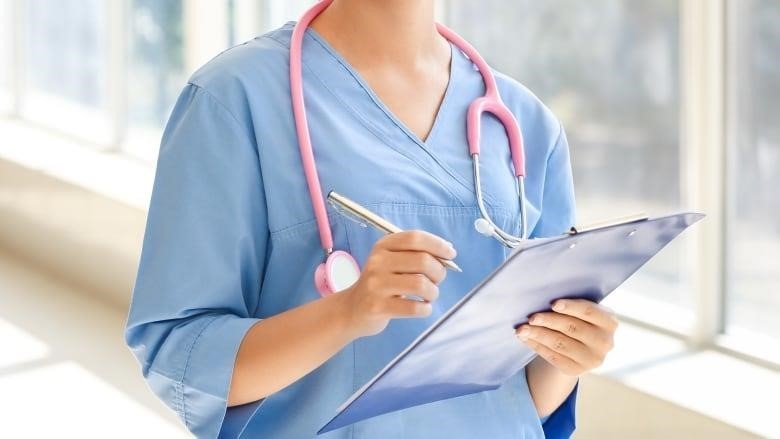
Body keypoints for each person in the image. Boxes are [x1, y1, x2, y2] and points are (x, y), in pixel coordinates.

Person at [125, 1, 618, 437]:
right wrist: (346, 313)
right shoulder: (234, 99)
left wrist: (569, 354)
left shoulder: (526, 123)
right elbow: (182, 355)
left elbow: (523, 401)